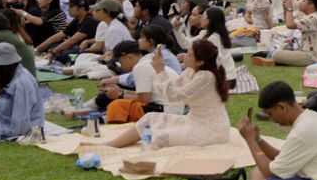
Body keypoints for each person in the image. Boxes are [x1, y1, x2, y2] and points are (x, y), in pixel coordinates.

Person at [94, 37, 233, 148]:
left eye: (190, 55)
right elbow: (170, 87)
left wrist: (160, 70)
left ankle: (113, 145)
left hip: (211, 129)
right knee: (150, 118)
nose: (185, 56)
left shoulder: (206, 76)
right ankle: (111, 144)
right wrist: (159, 70)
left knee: (159, 137)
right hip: (193, 120)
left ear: (200, 62)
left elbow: (175, 96)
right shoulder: (191, 71)